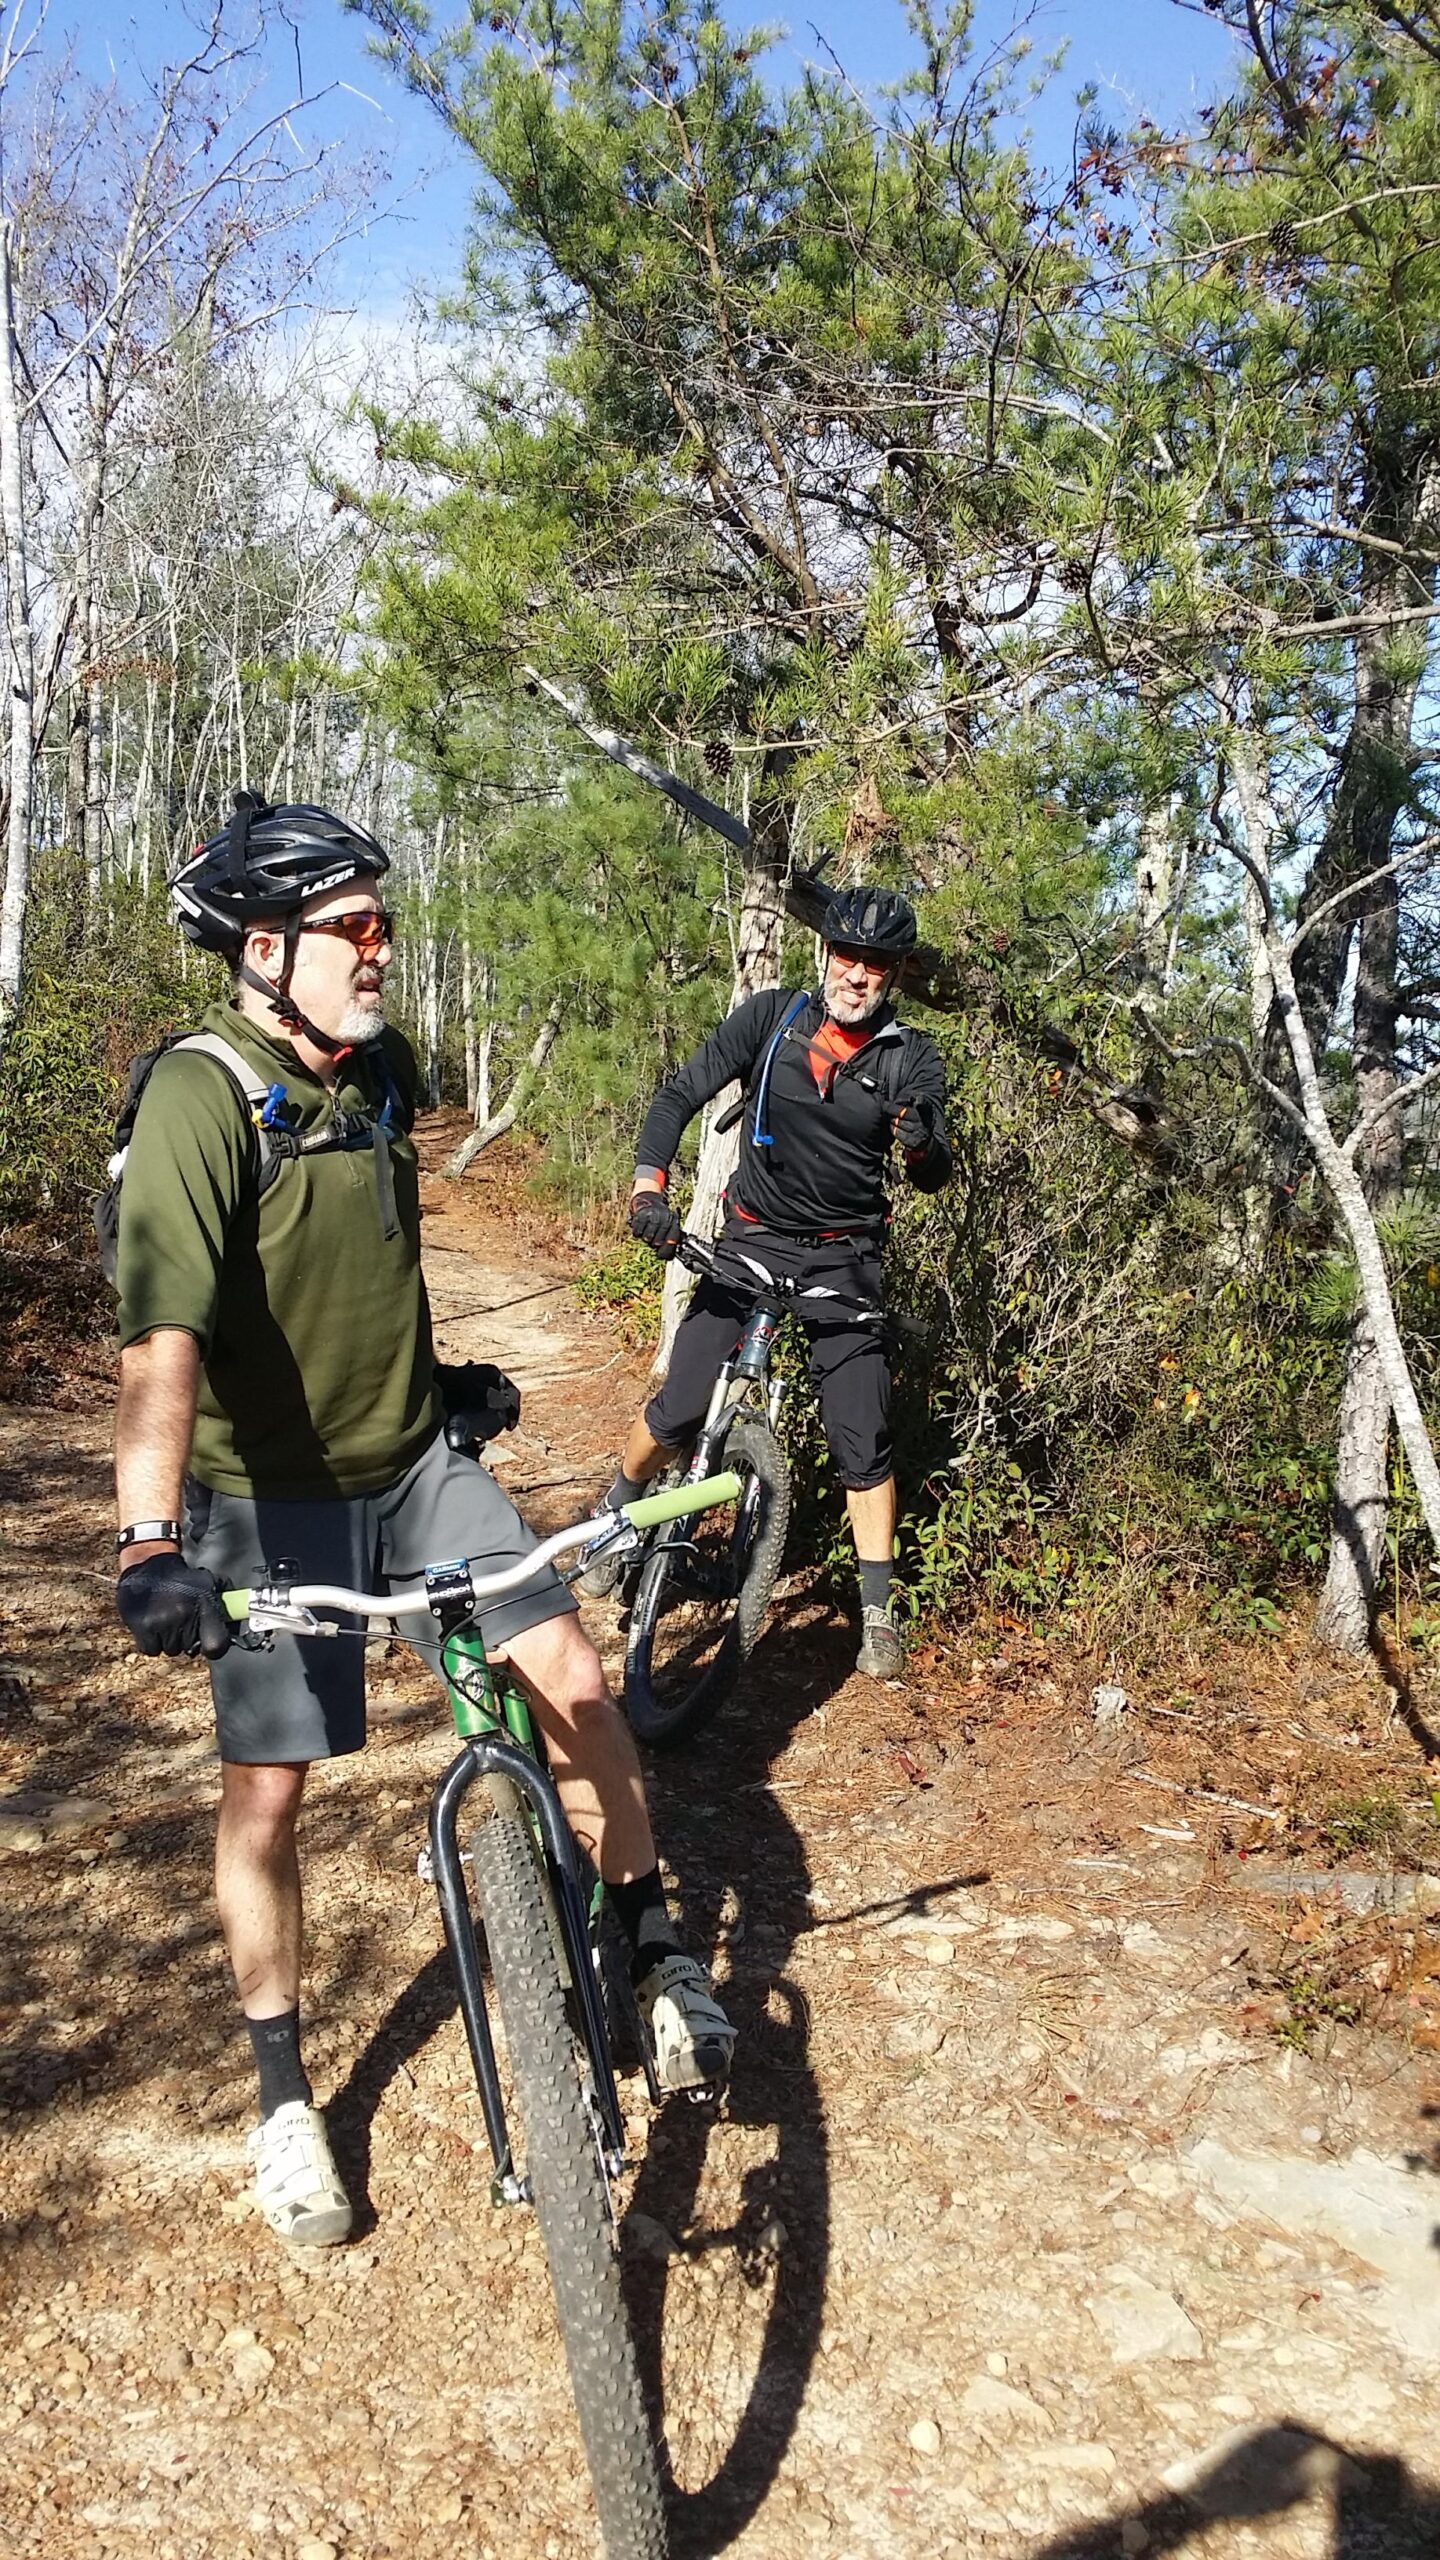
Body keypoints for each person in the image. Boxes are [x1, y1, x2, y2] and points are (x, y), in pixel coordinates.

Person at [112, 792, 734, 2249]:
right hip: (266, 1498)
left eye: (385, 925)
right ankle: (284, 2100)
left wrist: (436, 1377)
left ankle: (647, 1951)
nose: (379, 951)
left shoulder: (378, 1078)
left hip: (409, 1466)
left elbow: (372, 1265)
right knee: (269, 1790)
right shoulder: (202, 1096)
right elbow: (164, 1348)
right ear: (264, 947)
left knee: (573, 1676)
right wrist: (148, 1542)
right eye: (352, 929)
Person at [581, 886, 952, 1679]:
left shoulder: (910, 1057)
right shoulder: (774, 1018)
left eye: (875, 964)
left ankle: (878, 1612)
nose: (857, 975)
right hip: (751, 1236)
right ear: (826, 955)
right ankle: (617, 1514)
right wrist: (650, 1186)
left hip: (843, 1257)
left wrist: (919, 1146)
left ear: (894, 974)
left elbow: (931, 1172)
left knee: (864, 1433)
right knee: (680, 1404)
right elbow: (682, 1092)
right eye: (847, 956)